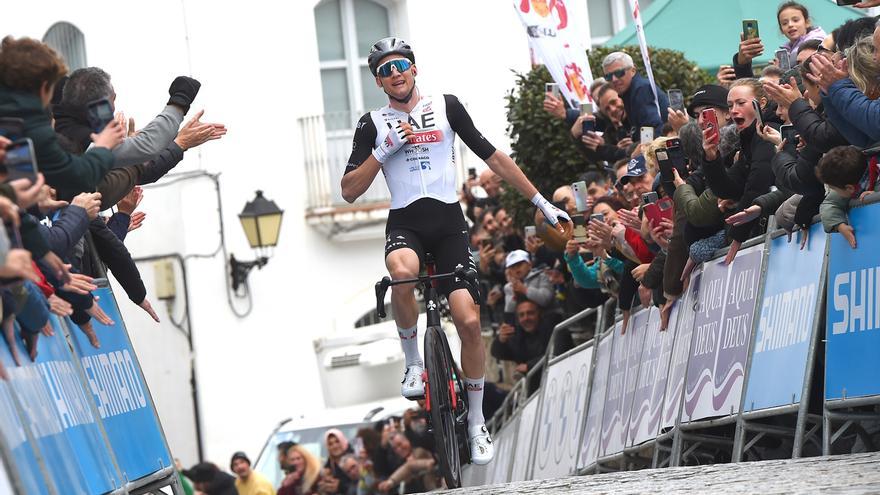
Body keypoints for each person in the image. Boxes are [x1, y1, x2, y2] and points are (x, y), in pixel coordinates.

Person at [340, 37, 570, 465]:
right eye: (386, 70)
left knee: (466, 319)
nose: (395, 74)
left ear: (413, 69)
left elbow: (493, 156)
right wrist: (382, 150)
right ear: (378, 81)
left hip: (449, 225)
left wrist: (541, 200)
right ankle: (413, 363)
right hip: (406, 222)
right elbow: (350, 190)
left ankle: (477, 422)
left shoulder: (446, 106)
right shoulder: (372, 123)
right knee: (402, 273)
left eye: (401, 66)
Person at [818, 145, 878, 249]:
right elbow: (829, 203)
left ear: (849, 188)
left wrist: (876, 196)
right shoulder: (849, 182)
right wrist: (840, 226)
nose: (835, 192)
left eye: (835, 189)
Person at [601, 51, 669, 142]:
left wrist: (638, 150)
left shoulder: (640, 89)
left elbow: (651, 128)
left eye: (619, 73)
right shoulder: (629, 92)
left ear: (633, 71)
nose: (614, 79)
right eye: (608, 76)